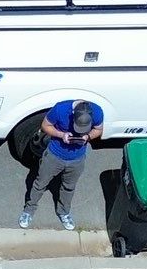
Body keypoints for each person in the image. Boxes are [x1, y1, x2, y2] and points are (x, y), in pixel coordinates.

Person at [18, 99, 103, 231]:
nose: (79, 131)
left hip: (77, 159)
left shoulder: (97, 112)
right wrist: (61, 135)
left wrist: (88, 136)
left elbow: (98, 129)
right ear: (73, 114)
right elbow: (45, 126)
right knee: (40, 184)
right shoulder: (60, 109)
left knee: (69, 187)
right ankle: (29, 210)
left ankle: (64, 212)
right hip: (54, 155)